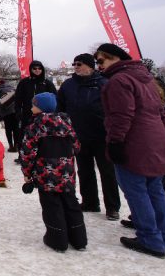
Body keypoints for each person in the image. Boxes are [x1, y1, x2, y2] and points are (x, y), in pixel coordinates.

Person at [96, 43, 165, 258]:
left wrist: (115, 142)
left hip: (135, 142)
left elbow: (120, 115)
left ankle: (150, 238)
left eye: (101, 61)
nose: (99, 66)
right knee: (156, 189)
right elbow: (161, 113)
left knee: (137, 191)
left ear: (114, 58)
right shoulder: (146, 79)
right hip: (156, 140)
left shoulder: (119, 80)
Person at [57, 53, 121, 220]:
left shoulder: (104, 83)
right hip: (79, 135)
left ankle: (112, 207)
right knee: (85, 171)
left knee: (107, 172)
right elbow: (60, 108)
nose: (76, 66)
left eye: (80, 64)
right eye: (75, 63)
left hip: (102, 135)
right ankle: (90, 202)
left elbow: (114, 108)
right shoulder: (68, 85)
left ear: (90, 66)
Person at [20, 92, 87, 252]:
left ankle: (57, 239)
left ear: (40, 108)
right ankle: (79, 239)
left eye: (33, 105)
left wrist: (27, 172)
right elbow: (76, 146)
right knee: (71, 203)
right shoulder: (66, 122)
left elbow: (27, 153)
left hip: (45, 173)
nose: (31, 108)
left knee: (52, 206)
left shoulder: (35, 126)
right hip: (67, 172)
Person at [14, 60, 57, 162]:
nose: (37, 70)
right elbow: (18, 99)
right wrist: (18, 112)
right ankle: (23, 156)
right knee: (25, 135)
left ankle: (42, 155)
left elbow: (55, 98)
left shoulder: (47, 83)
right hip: (27, 114)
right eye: (34, 68)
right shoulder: (24, 82)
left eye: (39, 68)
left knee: (42, 136)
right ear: (31, 69)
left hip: (44, 116)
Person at [0, 79, 18, 152]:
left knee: (8, 130)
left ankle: (10, 146)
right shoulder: (13, 89)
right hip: (15, 112)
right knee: (16, 129)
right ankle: (16, 146)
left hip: (6, 113)